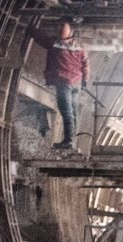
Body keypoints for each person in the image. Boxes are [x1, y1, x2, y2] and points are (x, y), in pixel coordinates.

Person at [33, 19, 89, 150]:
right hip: (77, 83)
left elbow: (39, 37)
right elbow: (86, 65)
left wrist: (30, 28)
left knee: (66, 112)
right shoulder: (79, 47)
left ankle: (68, 141)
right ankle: (72, 141)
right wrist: (84, 81)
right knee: (73, 112)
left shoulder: (54, 45)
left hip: (64, 82)